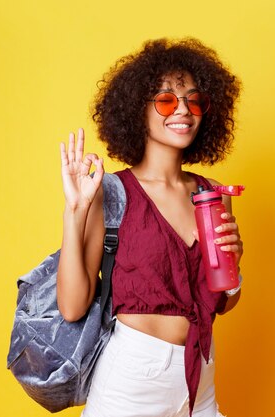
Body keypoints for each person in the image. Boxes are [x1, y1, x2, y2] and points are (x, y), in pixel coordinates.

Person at [57, 38, 243, 417]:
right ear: (136, 110)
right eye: (166, 100)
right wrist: (75, 211)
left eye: (194, 101)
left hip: (201, 378)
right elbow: (72, 306)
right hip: (133, 381)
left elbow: (223, 303)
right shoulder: (112, 193)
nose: (184, 111)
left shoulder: (212, 194)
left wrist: (236, 265)